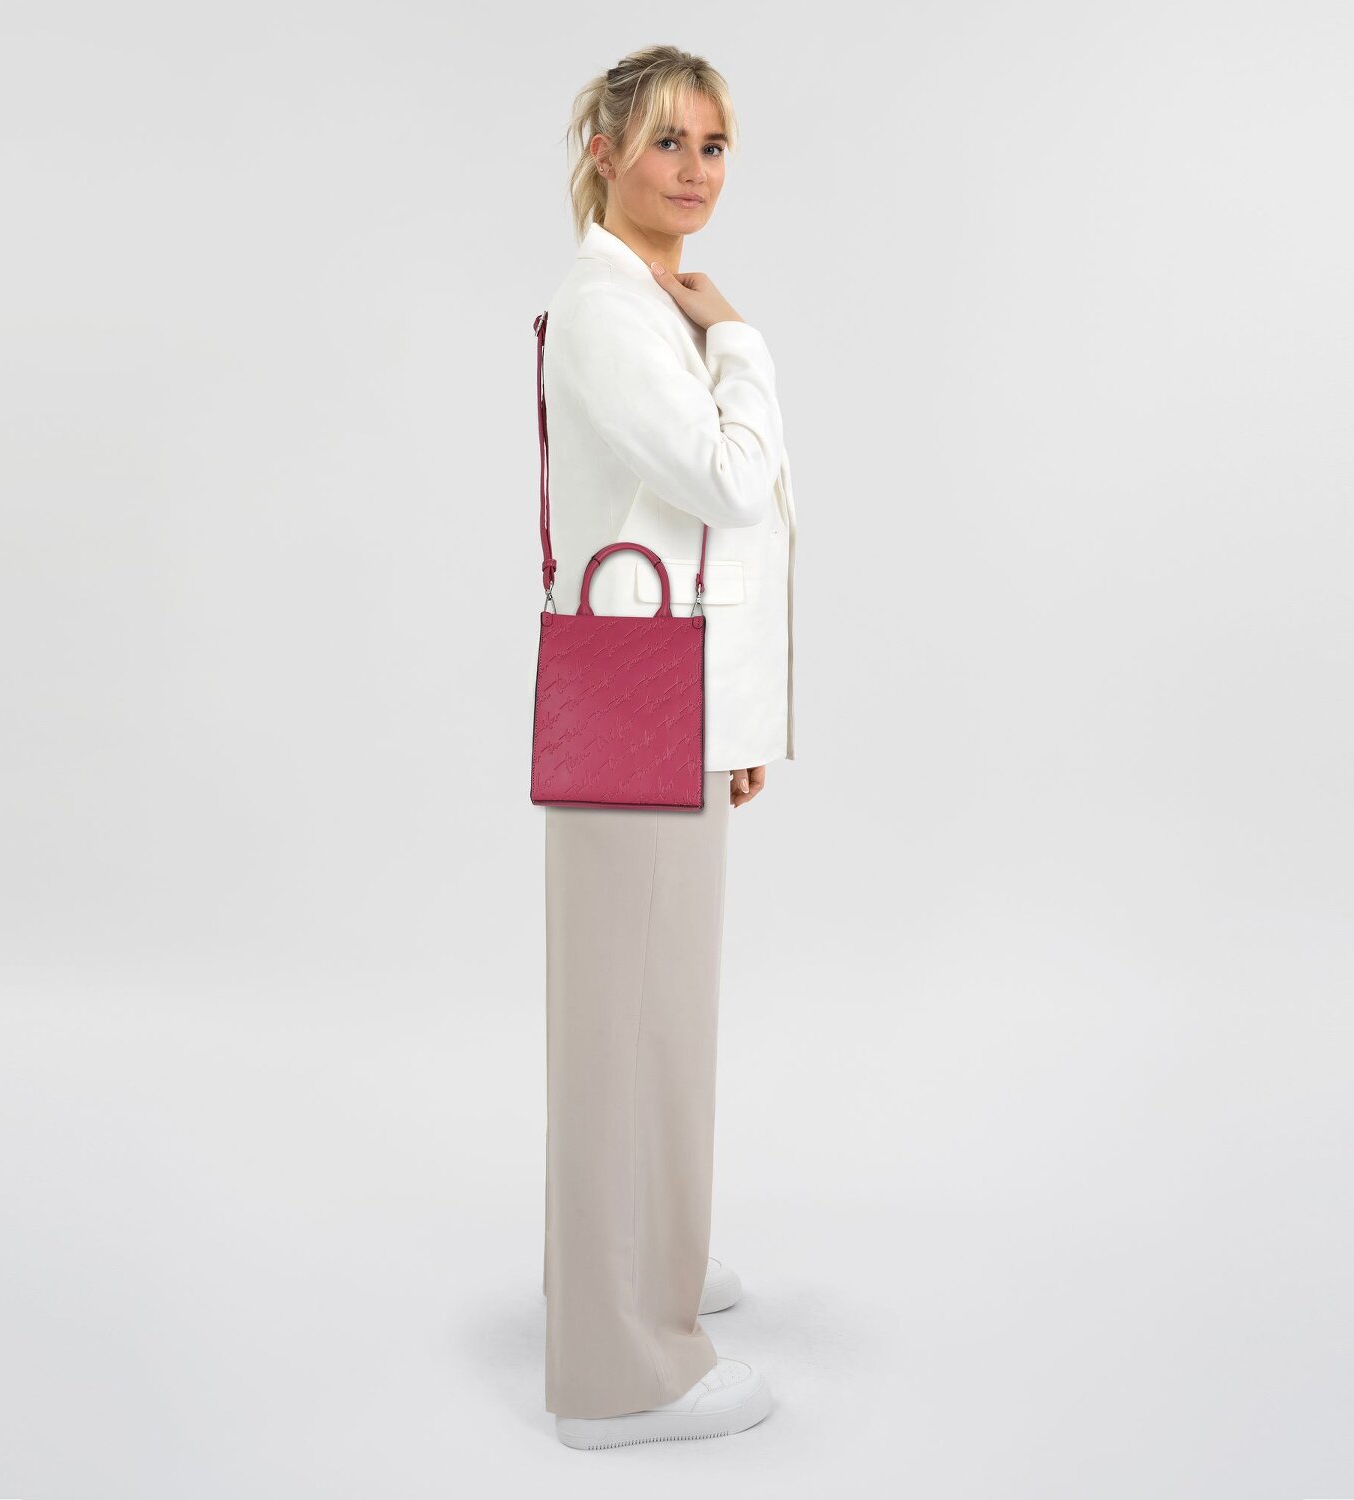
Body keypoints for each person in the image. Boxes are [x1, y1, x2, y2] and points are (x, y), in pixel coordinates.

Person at [536, 44, 797, 1451]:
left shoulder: (643, 298)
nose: (694, 171)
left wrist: (737, 720)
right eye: (665, 143)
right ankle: (618, 1372)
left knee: (654, 1015)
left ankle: (647, 1267)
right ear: (605, 152)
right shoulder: (614, 309)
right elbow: (726, 481)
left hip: (670, 694)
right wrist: (743, 343)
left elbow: (686, 535)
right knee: (629, 1027)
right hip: (643, 699)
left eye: (713, 145)